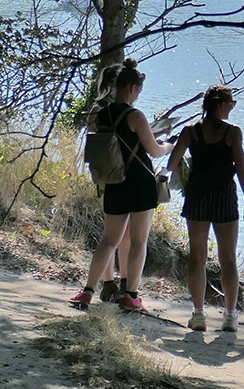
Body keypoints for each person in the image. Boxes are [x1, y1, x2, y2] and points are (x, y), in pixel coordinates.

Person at [70, 58, 172, 312]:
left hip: (114, 180)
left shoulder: (102, 113)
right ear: (131, 89)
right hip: (139, 181)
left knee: (108, 240)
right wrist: (170, 145)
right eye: (138, 91)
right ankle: (131, 296)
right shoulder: (135, 115)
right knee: (138, 241)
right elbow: (155, 151)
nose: (138, 95)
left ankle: (87, 291)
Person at [166, 85, 244, 333]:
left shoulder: (190, 132)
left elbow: (173, 164)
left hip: (197, 196)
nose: (232, 107)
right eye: (231, 103)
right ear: (221, 105)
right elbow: (242, 169)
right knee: (228, 258)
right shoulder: (233, 133)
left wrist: (188, 165)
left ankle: (199, 313)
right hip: (225, 195)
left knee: (198, 256)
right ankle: (229, 315)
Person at [86, 63, 131, 303]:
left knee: (126, 234)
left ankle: (124, 281)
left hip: (124, 176)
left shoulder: (127, 108)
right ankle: (107, 282)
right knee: (111, 234)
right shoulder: (99, 108)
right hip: (107, 176)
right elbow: (94, 141)